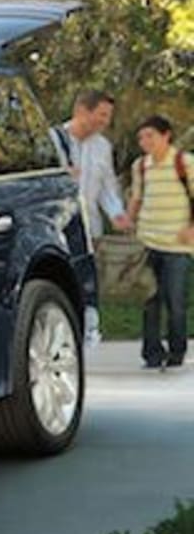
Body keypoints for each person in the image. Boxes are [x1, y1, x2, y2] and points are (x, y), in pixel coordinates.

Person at [51, 90, 132, 345]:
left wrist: (117, 213)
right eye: (101, 115)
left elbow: (107, 187)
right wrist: (62, 176)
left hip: (88, 230)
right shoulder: (53, 140)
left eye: (108, 116)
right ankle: (58, 335)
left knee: (86, 284)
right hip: (56, 229)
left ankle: (87, 335)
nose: (105, 121)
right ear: (81, 111)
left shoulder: (102, 147)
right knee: (59, 284)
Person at [127, 116, 194, 370]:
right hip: (147, 242)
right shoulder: (140, 166)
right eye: (141, 138)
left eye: (150, 136)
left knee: (175, 302)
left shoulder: (184, 163)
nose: (145, 142)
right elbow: (136, 198)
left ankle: (177, 352)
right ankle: (152, 354)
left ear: (166, 136)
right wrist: (127, 221)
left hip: (177, 245)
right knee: (149, 300)